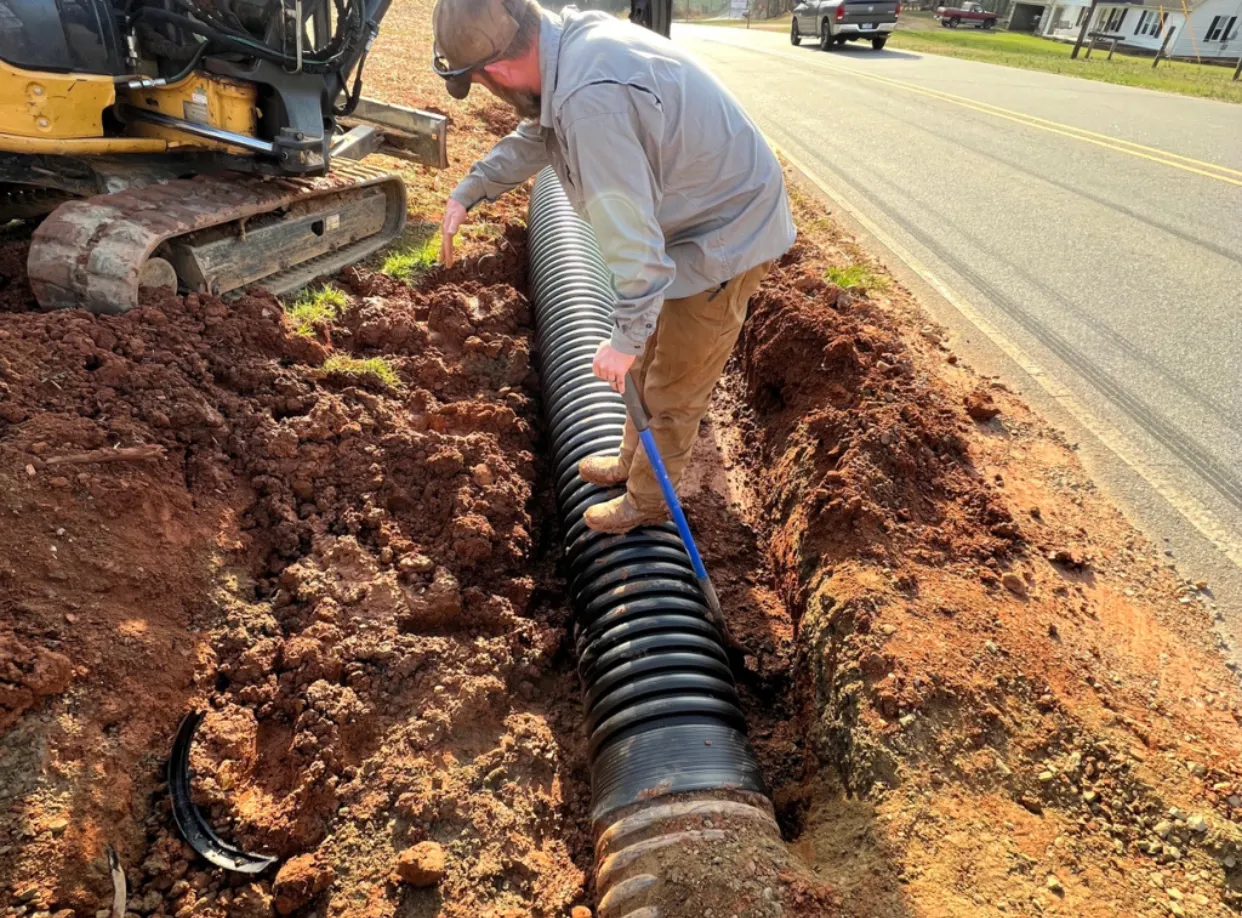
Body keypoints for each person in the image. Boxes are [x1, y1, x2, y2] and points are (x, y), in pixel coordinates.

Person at [432, 0, 795, 534]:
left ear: (500, 70)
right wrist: (474, 188)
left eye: (482, 81)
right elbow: (537, 136)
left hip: (727, 231)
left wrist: (623, 339)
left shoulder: (589, 104)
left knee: (674, 385)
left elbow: (636, 247)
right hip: (691, 210)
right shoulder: (566, 50)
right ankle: (631, 461)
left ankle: (647, 504)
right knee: (644, 361)